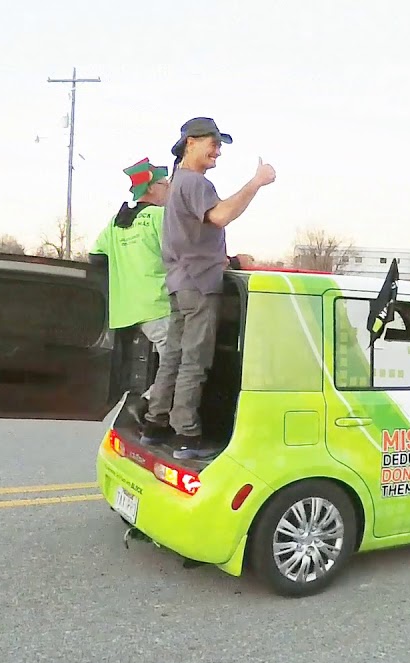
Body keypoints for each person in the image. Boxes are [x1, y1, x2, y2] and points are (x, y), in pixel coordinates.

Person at [142, 117, 276, 459]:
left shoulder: (176, 185)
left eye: (220, 144)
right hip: (200, 284)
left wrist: (228, 260)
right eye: (212, 142)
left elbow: (191, 237)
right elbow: (221, 216)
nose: (217, 150)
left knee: (172, 357)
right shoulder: (197, 183)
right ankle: (186, 435)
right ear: (191, 143)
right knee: (194, 361)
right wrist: (257, 182)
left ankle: (155, 425)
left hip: (180, 283)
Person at [87, 157, 174, 423]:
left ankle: (143, 401)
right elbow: (187, 253)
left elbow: (96, 257)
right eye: (164, 184)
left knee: (149, 362)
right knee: (180, 362)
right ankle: (147, 404)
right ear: (150, 189)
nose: (169, 188)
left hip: (126, 310)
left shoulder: (117, 221)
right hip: (156, 305)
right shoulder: (160, 217)